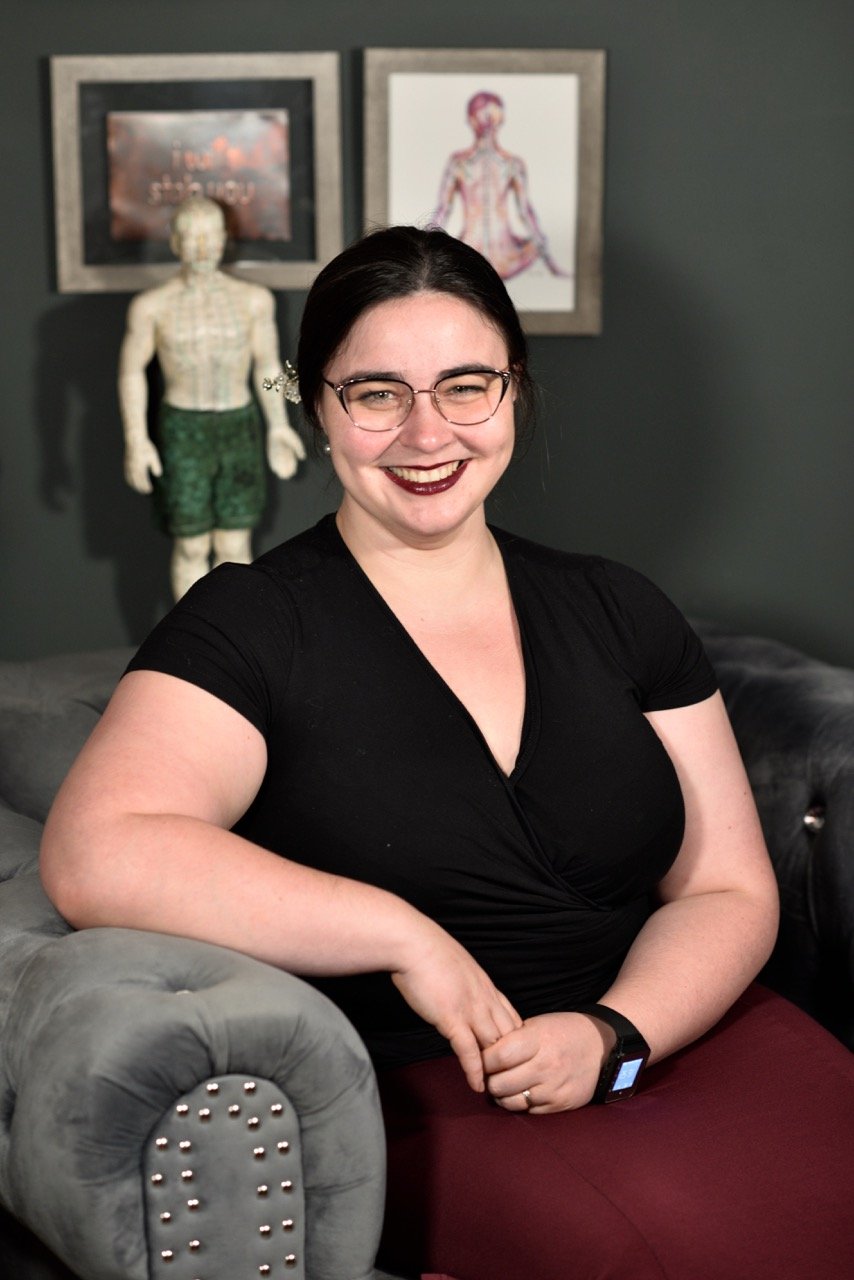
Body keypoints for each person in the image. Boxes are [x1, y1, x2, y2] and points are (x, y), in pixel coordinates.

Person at [43, 227, 853, 1279]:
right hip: (438, 1090)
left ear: (514, 389)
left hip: (668, 1036)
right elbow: (98, 849)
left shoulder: (616, 606)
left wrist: (612, 1033)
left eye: (465, 385)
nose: (426, 434)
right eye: (376, 392)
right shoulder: (249, 623)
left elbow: (725, 886)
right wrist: (400, 931)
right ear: (317, 404)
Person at [117, 195, 305, 600]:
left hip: (239, 427)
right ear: (175, 242)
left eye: (210, 237)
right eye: (191, 238)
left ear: (224, 239)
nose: (202, 249)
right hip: (184, 429)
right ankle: (189, 647)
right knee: (191, 545)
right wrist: (136, 440)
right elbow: (132, 371)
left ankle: (233, 647)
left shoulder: (253, 300)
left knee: (235, 546)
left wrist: (277, 427)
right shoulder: (152, 306)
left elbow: (267, 365)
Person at [431, 91, 567, 279]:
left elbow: (526, 210)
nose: (487, 123)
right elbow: (443, 210)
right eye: (483, 117)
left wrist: (551, 262)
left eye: (490, 118)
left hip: (498, 257)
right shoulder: (460, 163)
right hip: (472, 256)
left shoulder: (510, 164)